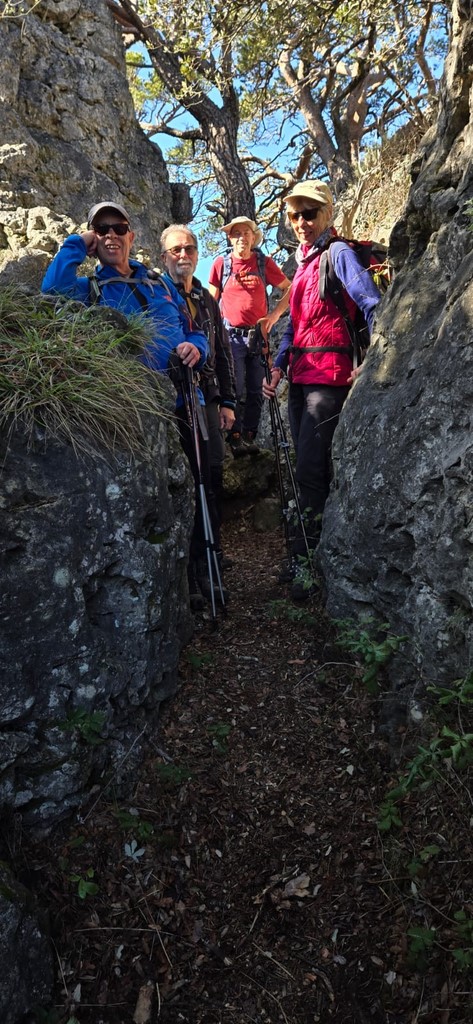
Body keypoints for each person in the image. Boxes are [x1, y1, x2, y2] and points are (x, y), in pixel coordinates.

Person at [41, 201, 213, 611]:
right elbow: (52, 290)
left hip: (186, 399)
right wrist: (78, 243)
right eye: (102, 229)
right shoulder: (89, 289)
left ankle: (205, 571)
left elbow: (193, 331)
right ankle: (176, 585)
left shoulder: (160, 284)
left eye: (119, 227)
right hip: (138, 412)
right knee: (160, 496)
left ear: (132, 236)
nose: (111, 235)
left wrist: (197, 348)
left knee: (203, 486)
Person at [262, 180, 381, 600]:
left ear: (328, 214)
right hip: (300, 378)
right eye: (294, 215)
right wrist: (278, 367)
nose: (301, 222)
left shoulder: (338, 254)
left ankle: (306, 565)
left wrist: (374, 356)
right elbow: (294, 327)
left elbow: (371, 303)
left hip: (329, 379)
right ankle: (305, 554)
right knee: (306, 467)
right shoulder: (305, 264)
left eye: (310, 213)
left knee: (311, 470)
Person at [160, 223, 237, 594]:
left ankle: (211, 550)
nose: (183, 255)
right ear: (164, 256)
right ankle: (191, 561)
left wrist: (228, 401)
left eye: (189, 248)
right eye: (176, 250)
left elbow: (222, 351)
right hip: (172, 396)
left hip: (206, 396)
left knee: (212, 473)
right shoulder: (157, 291)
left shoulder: (206, 298)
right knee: (186, 476)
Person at [208, 216, 291, 455]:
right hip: (230, 336)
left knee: (256, 388)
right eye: (237, 233)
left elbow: (290, 287)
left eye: (246, 233)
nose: (242, 238)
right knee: (234, 386)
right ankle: (234, 436)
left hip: (258, 337)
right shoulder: (221, 264)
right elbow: (211, 301)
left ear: (254, 237)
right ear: (230, 238)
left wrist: (274, 316)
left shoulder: (264, 263)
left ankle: (249, 435)